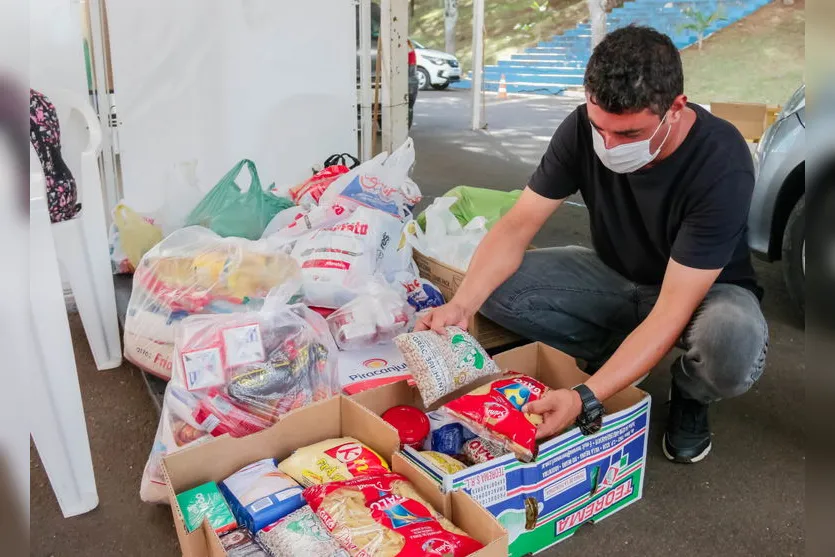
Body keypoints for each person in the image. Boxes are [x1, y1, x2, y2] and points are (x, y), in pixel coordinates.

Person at [416, 26, 768, 464]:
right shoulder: (581, 129)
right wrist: (462, 306)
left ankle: (691, 393)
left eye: (630, 135)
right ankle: (618, 355)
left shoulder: (721, 160)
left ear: (675, 108)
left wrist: (585, 397)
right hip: (615, 275)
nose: (609, 146)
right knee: (499, 289)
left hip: (700, 293)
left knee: (732, 342)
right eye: (600, 128)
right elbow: (517, 225)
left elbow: (673, 308)